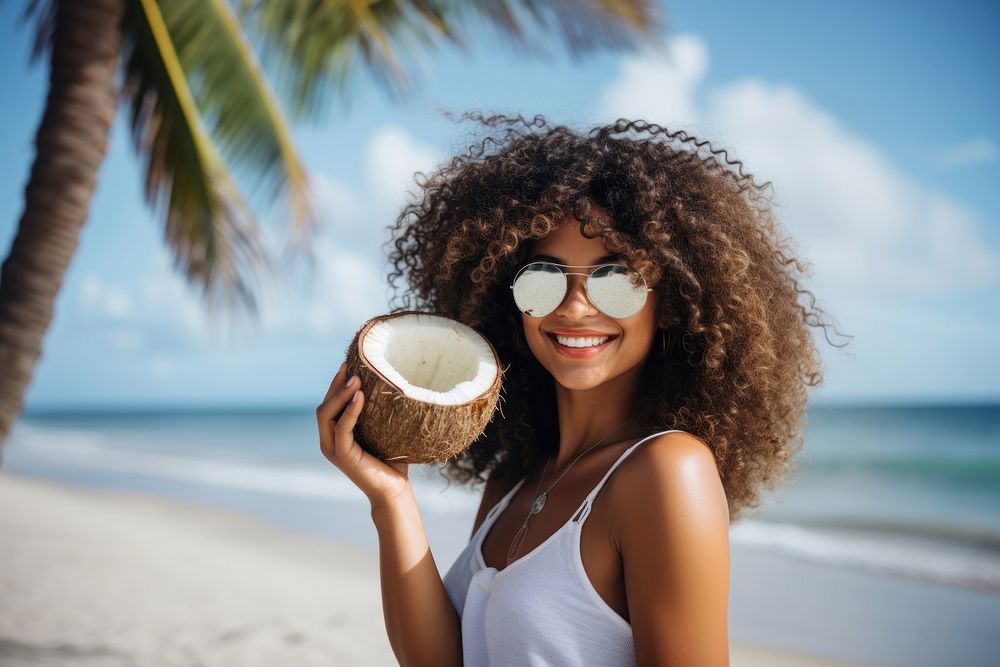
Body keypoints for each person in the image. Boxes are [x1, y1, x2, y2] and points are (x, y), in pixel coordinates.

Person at [316, 113, 842, 666]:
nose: (573, 306)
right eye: (544, 277)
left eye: (616, 279)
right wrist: (391, 498)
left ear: (670, 304)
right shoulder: (514, 479)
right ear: (507, 297)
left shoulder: (667, 472)